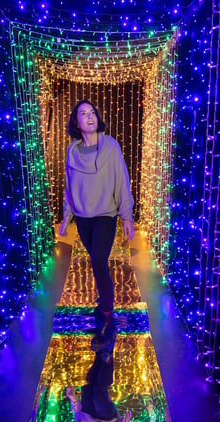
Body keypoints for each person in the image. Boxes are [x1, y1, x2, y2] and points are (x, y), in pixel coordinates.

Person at [58, 99, 135, 353]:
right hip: (83, 217)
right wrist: (66, 216)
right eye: (83, 113)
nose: (89, 116)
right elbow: (70, 187)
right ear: (76, 122)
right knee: (95, 260)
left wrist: (127, 217)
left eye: (92, 112)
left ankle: (107, 319)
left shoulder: (110, 147)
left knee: (99, 262)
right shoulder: (72, 151)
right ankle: (105, 298)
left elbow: (122, 181)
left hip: (105, 215)